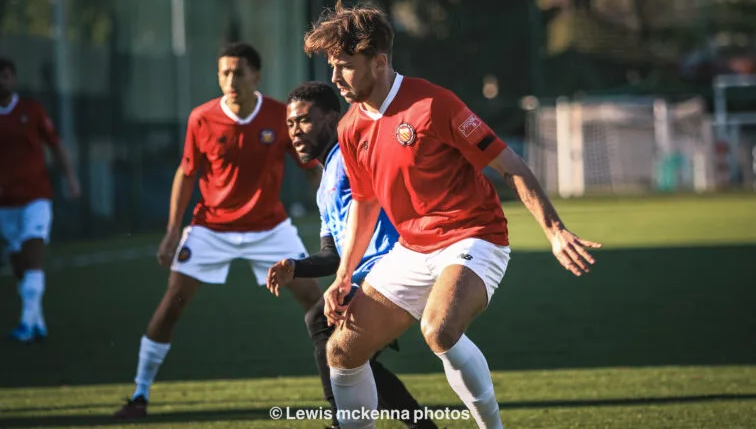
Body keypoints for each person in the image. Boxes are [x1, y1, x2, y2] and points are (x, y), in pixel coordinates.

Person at [303, 1, 602, 429]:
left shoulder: (433, 104)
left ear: (379, 61)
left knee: (439, 330)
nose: (334, 78)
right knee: (341, 351)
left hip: (474, 237)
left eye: (345, 66)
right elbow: (366, 203)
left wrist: (554, 231)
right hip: (411, 250)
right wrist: (344, 275)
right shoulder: (351, 126)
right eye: (331, 66)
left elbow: (509, 166)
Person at [114, 43, 323, 418]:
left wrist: (332, 215)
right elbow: (187, 172)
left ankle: (352, 380)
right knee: (171, 304)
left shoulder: (279, 116)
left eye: (238, 72)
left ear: (256, 76)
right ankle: (139, 394)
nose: (230, 80)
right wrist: (172, 231)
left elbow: (310, 166)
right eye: (224, 72)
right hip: (210, 228)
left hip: (269, 228)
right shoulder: (202, 118)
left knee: (317, 300)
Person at [266, 81, 437, 429]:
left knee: (323, 325)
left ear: (332, 118)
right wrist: (295, 266)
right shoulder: (324, 180)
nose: (295, 131)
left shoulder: (352, 156)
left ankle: (341, 421)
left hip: (394, 270)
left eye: (304, 120)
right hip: (362, 278)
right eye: (290, 124)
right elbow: (333, 254)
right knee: (350, 356)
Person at [0, 57, 81, 344]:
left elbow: (55, 145)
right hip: (5, 204)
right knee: (19, 263)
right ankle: (38, 323)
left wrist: (70, 178)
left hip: (36, 196)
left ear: (14, 79)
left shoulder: (31, 111)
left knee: (34, 255)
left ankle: (25, 324)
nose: (2, 81)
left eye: (6, 75)